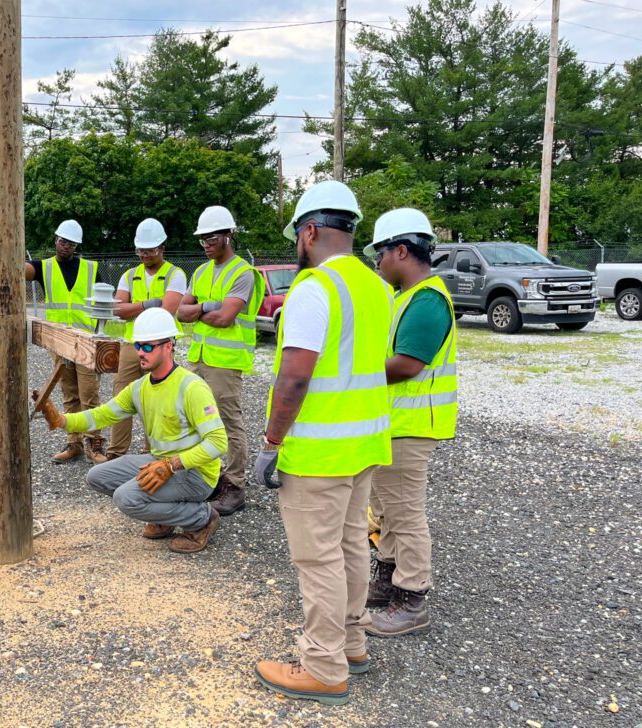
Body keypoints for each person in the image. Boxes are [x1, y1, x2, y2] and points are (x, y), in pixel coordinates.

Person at [253, 181, 394, 705]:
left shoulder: (315, 288)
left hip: (318, 452)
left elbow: (294, 379)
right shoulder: (377, 287)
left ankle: (322, 664)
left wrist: (272, 440)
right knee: (352, 545)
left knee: (318, 560)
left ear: (309, 231)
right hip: (364, 446)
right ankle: (351, 643)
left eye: (297, 234)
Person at [33, 308, 226, 553]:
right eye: (138, 345)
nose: (139, 352)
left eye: (148, 347)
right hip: (160, 462)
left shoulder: (191, 388)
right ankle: (166, 517)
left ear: (168, 346)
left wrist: (172, 465)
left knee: (126, 498)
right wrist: (62, 420)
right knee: (97, 476)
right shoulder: (141, 387)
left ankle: (202, 518)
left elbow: (219, 442)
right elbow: (102, 414)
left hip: (196, 474)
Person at [362, 208, 458, 637]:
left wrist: (353, 371)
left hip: (411, 425)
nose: (377, 262)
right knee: (387, 509)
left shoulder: (427, 300)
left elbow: (407, 365)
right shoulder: (405, 297)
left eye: (380, 252)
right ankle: (387, 578)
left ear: (402, 250)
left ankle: (412, 598)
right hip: (394, 422)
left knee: (405, 512)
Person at [176, 206, 265, 516]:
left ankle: (235, 484)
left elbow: (226, 318)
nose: (205, 244)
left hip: (226, 361)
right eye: (202, 239)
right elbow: (180, 312)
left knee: (228, 422)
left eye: (211, 237)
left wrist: (199, 310)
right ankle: (211, 477)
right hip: (199, 358)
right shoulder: (200, 272)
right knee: (199, 420)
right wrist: (207, 308)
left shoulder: (243, 273)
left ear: (229, 235)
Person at [25, 219, 107, 465]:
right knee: (70, 394)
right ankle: (74, 442)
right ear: (55, 240)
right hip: (60, 342)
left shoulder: (91, 269)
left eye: (70, 243)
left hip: (85, 342)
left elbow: (105, 302)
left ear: (76, 246)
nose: (65, 247)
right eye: (62, 241)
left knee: (89, 394)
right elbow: (22, 270)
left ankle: (94, 441)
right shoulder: (44, 267)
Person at [105, 218, 187, 460]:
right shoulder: (130, 275)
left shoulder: (175, 274)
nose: (144, 254)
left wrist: (135, 307)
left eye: (150, 250)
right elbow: (118, 310)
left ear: (162, 247)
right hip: (131, 344)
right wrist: (148, 304)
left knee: (158, 399)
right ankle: (116, 453)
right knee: (121, 398)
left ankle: (155, 452)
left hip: (161, 346)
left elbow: (167, 310)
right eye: (141, 250)